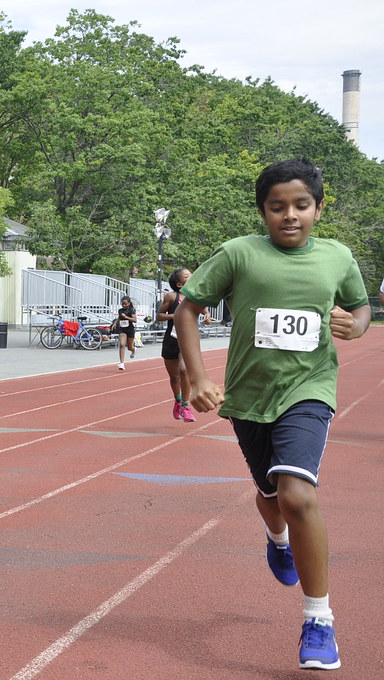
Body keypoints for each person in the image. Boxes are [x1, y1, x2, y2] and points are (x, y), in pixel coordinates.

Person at [175, 159, 370, 671]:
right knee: (270, 497)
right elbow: (187, 308)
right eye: (277, 206)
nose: (290, 215)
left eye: (301, 205)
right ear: (262, 212)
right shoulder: (239, 254)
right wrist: (197, 378)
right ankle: (277, 539)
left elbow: (361, 305)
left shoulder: (337, 257)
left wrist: (358, 324)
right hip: (249, 395)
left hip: (309, 388)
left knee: (296, 492)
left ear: (319, 209)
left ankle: (319, 619)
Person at [156, 269, 210, 423]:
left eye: (191, 274)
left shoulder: (196, 295)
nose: (191, 276)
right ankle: (178, 400)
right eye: (187, 276)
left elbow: (203, 308)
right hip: (171, 338)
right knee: (174, 377)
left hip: (188, 339)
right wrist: (176, 315)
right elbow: (159, 316)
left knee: (184, 370)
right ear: (179, 284)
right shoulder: (171, 297)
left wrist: (206, 315)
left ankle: (186, 407)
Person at [115, 295, 137, 371]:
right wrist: (115, 324)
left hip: (130, 330)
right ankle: (122, 363)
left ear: (129, 303)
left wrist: (126, 317)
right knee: (122, 344)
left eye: (125, 304)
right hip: (122, 329)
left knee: (129, 347)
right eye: (122, 304)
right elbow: (119, 318)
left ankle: (133, 350)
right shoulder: (120, 310)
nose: (124, 305)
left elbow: (135, 320)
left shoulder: (132, 310)